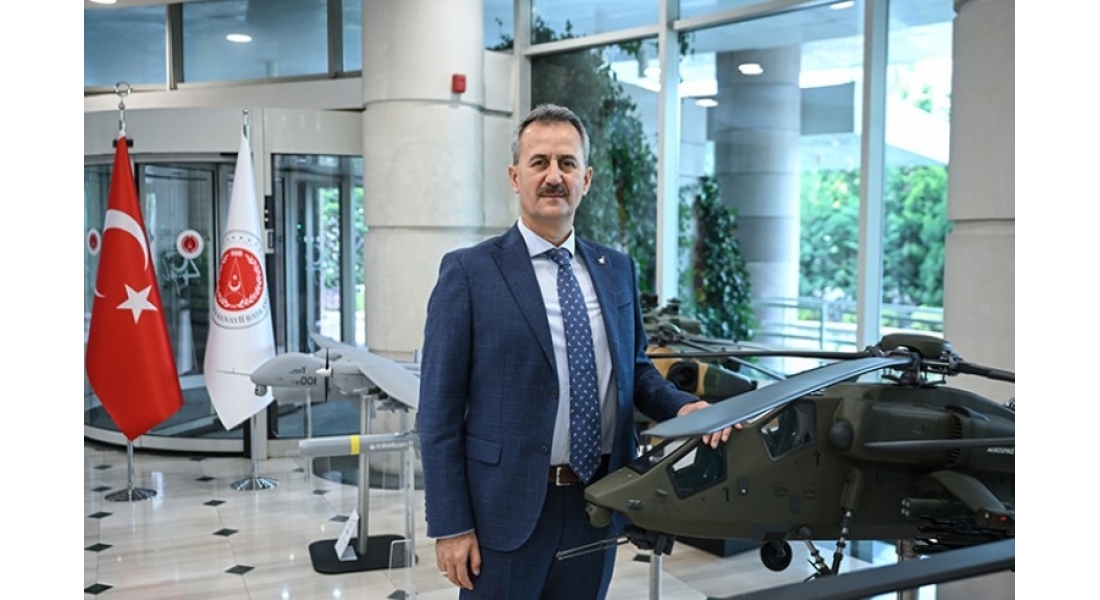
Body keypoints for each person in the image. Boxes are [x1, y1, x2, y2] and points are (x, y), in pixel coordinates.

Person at [418, 103, 733, 599]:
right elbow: (438, 411)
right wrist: (451, 524)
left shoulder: (617, 270)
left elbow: (635, 371)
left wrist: (683, 407)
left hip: (598, 503)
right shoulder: (469, 273)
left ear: (585, 179)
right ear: (515, 176)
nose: (553, 176)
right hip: (504, 511)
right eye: (539, 162)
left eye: (567, 163)